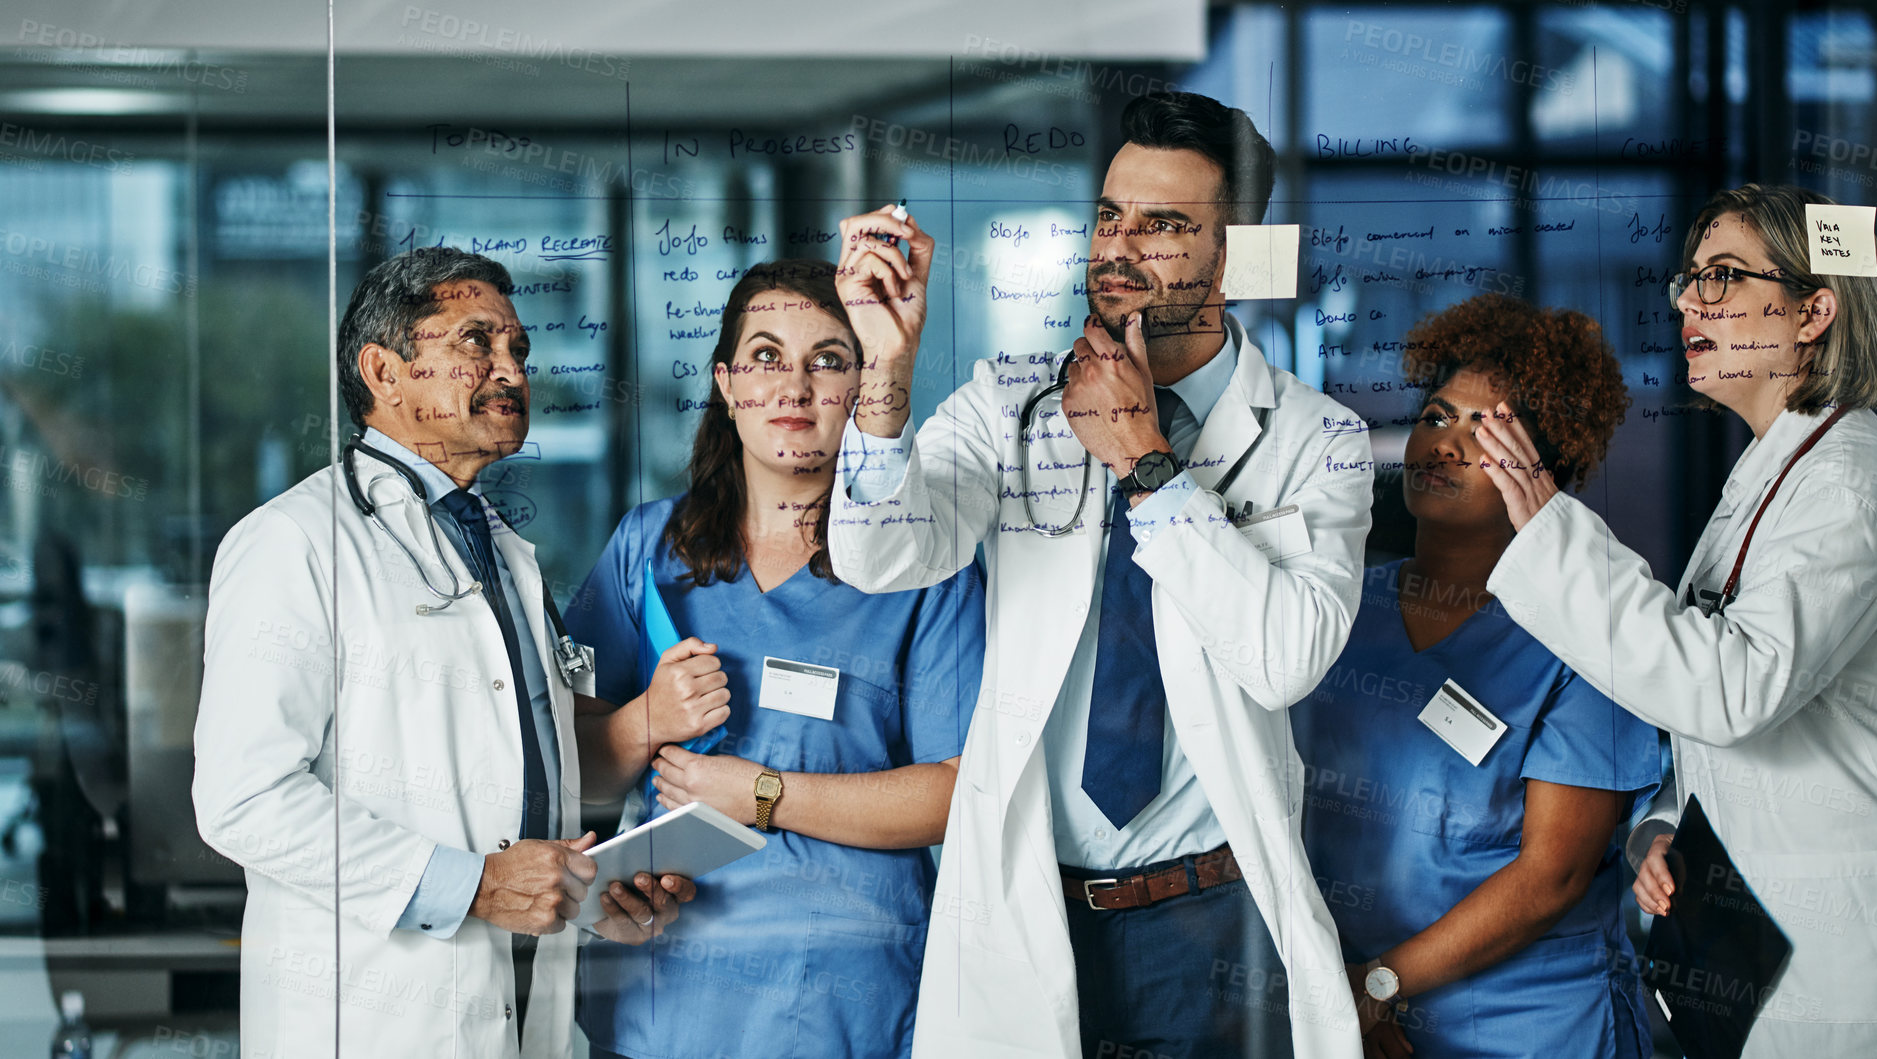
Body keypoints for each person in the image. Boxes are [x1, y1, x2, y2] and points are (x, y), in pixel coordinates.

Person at [828, 91, 1372, 1058]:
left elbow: (1286, 658)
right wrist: (882, 376)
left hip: (1211, 923)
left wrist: (1146, 466)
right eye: (1108, 216)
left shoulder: (1315, 438)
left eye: (1161, 224)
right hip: (1033, 902)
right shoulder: (1010, 399)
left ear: (1234, 251)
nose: (1117, 247)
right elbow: (880, 555)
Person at [192, 247, 691, 1059]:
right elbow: (241, 798)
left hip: (521, 1007)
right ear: (384, 371)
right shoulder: (295, 542)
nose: (509, 370)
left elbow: (506, 778)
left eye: (518, 351)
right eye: (475, 343)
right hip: (371, 1018)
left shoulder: (498, 551)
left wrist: (591, 892)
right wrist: (475, 885)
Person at [1476, 184, 1877, 1055]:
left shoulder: (1850, 479)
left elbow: (1734, 690)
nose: (1690, 302)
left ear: (1814, 309)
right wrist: (1661, 823)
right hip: (1747, 945)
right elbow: (1744, 695)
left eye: (1726, 277)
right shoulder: (1776, 468)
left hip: (1835, 963)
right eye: (1690, 279)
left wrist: (1555, 536)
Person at [563, 259, 985, 1059]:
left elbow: (956, 793)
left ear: (863, 386)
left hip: (844, 995)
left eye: (827, 359)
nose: (792, 387)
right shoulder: (645, 550)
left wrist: (759, 793)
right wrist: (645, 720)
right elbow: (577, 771)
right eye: (765, 356)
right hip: (667, 990)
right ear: (726, 383)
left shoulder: (928, 561)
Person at [1292, 293, 1659, 1059]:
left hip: (1528, 1024)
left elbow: (1548, 878)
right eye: (1434, 417)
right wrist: (1340, 996)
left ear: (1543, 474)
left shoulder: (1579, 635)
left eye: (1484, 431)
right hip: (1350, 1017)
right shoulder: (1336, 606)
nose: (1444, 446)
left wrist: (1374, 987)